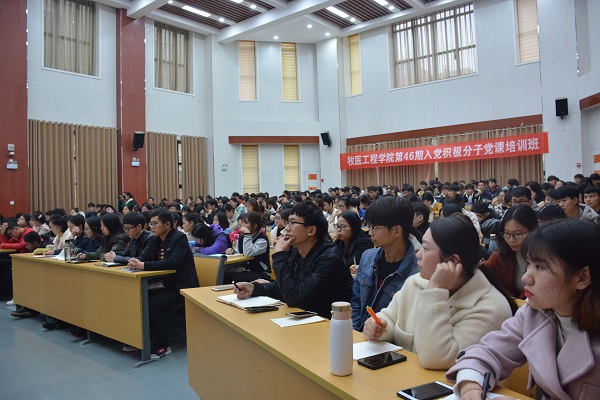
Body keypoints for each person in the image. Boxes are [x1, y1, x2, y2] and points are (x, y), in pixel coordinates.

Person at [446, 219, 600, 400]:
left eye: (540, 267)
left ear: (582, 277)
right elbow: (489, 352)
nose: (526, 277)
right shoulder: (535, 314)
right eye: (529, 264)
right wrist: (471, 387)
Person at [363, 214, 515, 370]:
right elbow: (390, 317)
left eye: (425, 248)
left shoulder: (491, 309)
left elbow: (437, 358)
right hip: (403, 378)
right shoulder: (415, 283)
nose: (418, 254)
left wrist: (435, 291)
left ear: (453, 260)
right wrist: (379, 327)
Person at [234, 203, 353, 319]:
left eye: (292, 223)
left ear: (311, 230)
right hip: (303, 317)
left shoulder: (330, 258)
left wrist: (279, 254)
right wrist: (254, 288)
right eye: (287, 222)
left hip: (328, 322)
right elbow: (286, 286)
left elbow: (295, 297)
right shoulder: (296, 250)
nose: (286, 228)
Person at [128, 209, 200, 357]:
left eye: (155, 224)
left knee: (151, 304)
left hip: (182, 287)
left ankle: (162, 345)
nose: (152, 227)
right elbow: (144, 257)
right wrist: (135, 261)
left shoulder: (179, 238)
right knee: (136, 298)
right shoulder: (155, 239)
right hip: (165, 284)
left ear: (167, 224)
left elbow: (172, 262)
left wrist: (143, 265)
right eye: (151, 224)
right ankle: (143, 339)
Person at [351, 196, 419, 332]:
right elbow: (356, 302)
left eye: (375, 227)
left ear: (397, 231)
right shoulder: (368, 256)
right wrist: (356, 332)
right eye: (369, 226)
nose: (370, 232)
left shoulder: (418, 272)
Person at [484, 205, 538, 298]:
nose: (511, 240)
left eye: (518, 234)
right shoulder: (501, 256)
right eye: (507, 233)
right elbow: (484, 274)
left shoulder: (544, 257)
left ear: (533, 231)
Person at [225, 211, 271, 282]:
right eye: (242, 222)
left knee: (236, 278)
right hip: (246, 270)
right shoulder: (242, 238)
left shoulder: (262, 239)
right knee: (225, 275)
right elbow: (240, 253)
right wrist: (233, 251)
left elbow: (248, 253)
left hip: (261, 273)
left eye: (246, 223)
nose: (243, 225)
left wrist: (247, 234)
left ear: (254, 226)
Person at [334, 211, 373, 276]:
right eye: (337, 226)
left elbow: (349, 265)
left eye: (343, 226)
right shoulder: (339, 241)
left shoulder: (364, 243)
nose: (338, 230)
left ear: (354, 227)